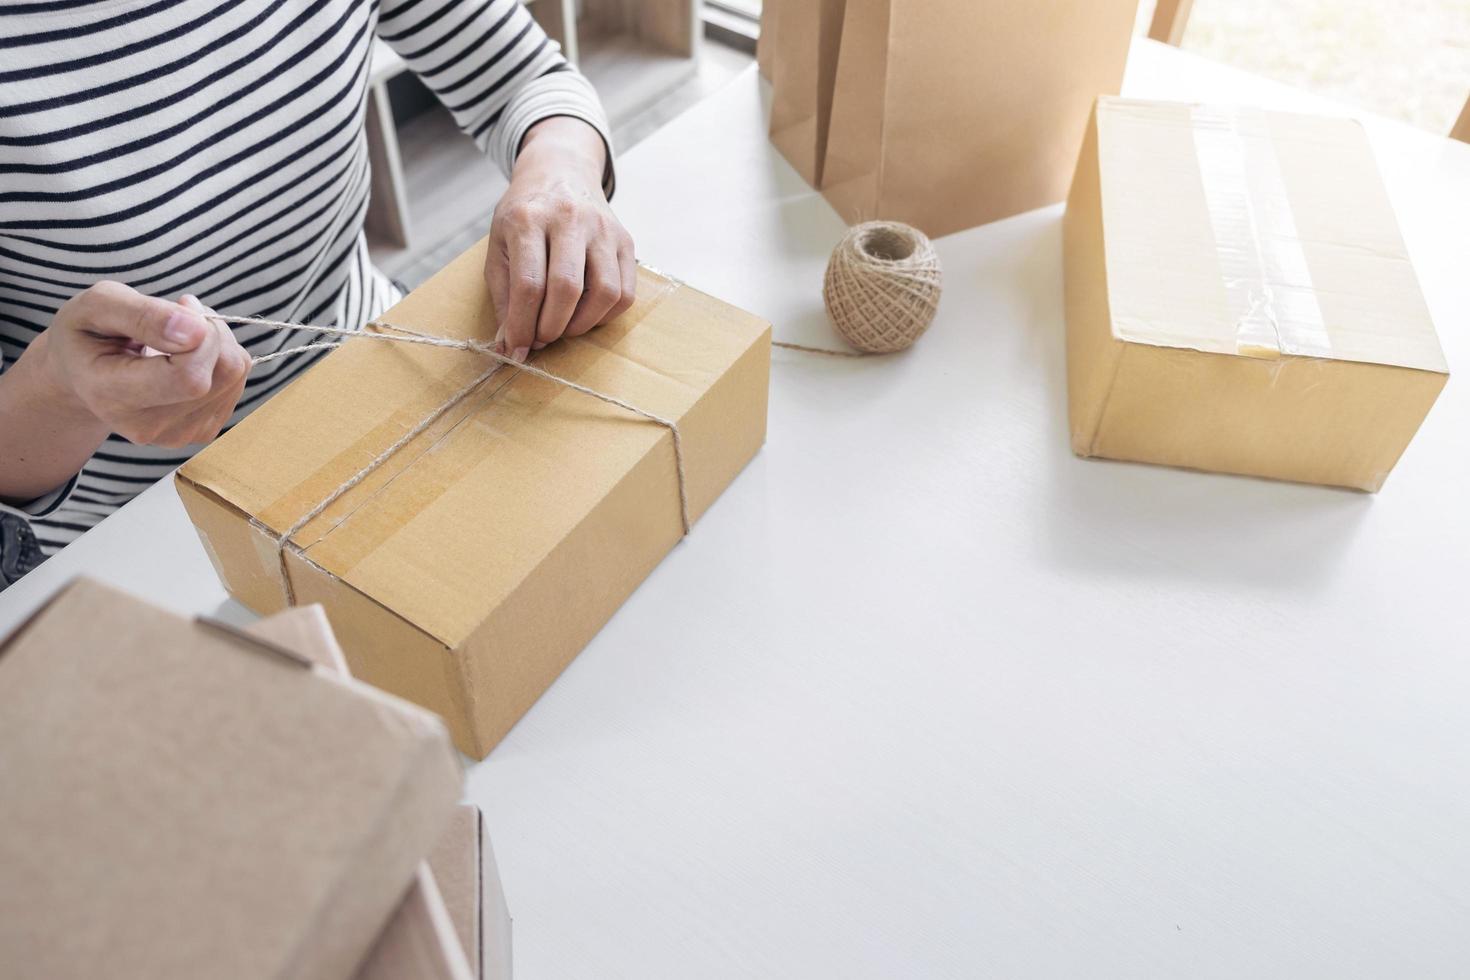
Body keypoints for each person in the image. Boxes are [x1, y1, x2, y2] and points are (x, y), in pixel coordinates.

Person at [0, 0, 633, 590]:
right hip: (139, 530)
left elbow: (526, 80)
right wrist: (62, 388)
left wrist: (559, 170)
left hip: (388, 379)